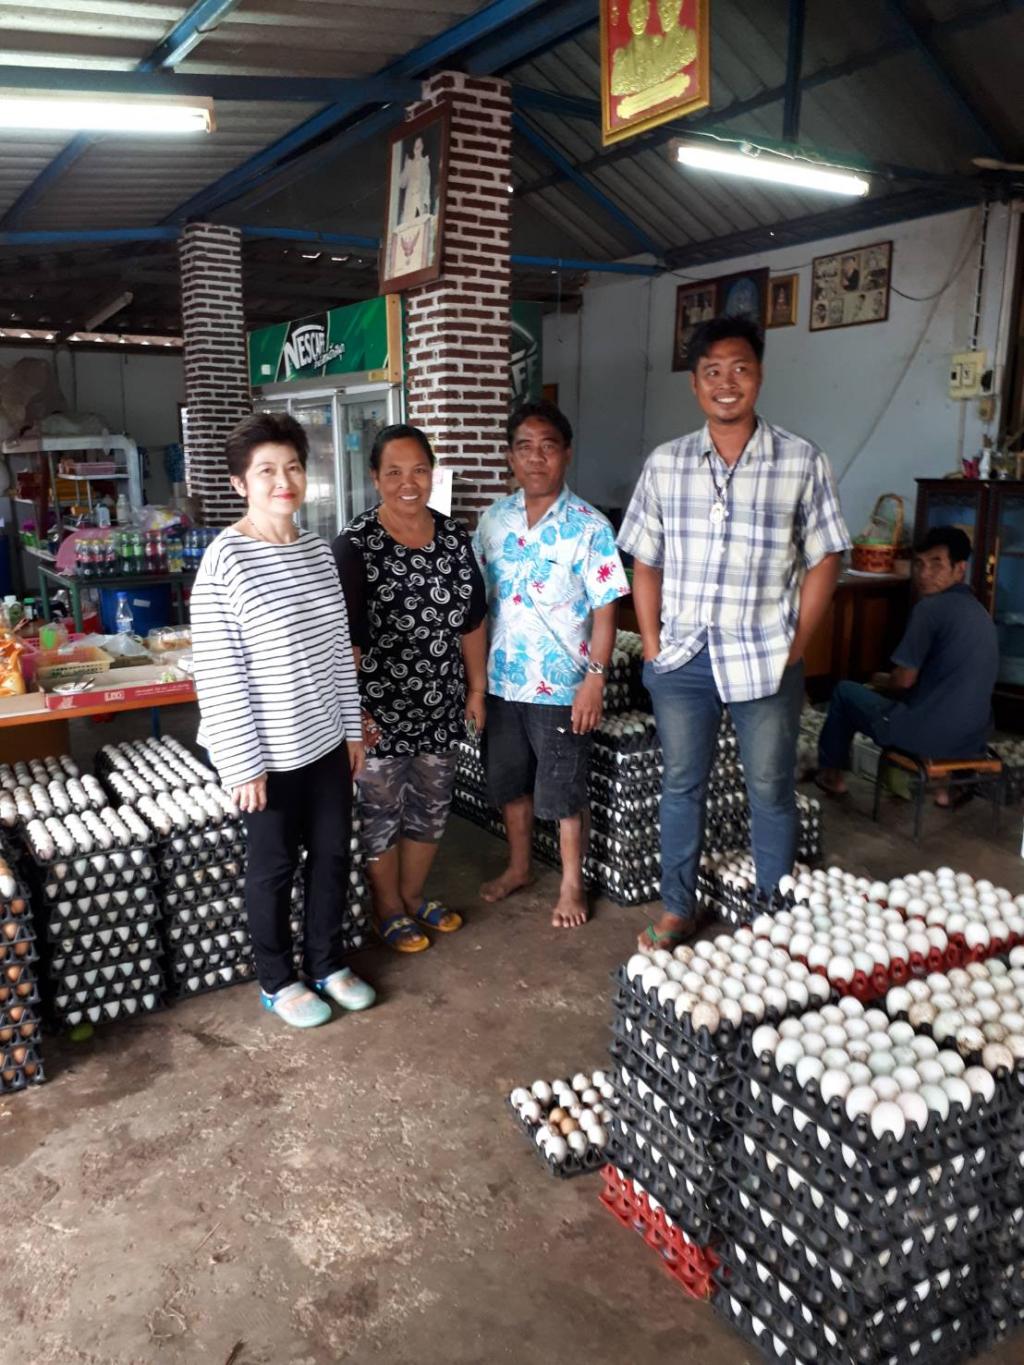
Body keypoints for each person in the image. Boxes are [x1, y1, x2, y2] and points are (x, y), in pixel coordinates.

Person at [617, 316, 850, 952]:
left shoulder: (801, 460)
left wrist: (797, 645)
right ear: (695, 384)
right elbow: (644, 561)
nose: (727, 382)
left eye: (740, 368)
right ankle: (677, 909)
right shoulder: (666, 463)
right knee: (681, 784)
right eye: (712, 371)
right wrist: (654, 648)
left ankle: (772, 911)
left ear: (760, 376)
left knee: (770, 788)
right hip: (684, 656)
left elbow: (828, 554)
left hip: (766, 656)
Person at [191, 411, 374, 1030]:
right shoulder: (225, 561)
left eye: (293, 467)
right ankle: (276, 978)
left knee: (332, 856)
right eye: (266, 470)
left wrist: (351, 730)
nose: (283, 481)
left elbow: (338, 650)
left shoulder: (318, 551)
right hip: (265, 755)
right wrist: (242, 765)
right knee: (272, 868)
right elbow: (219, 673)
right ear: (240, 483)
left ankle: (325, 962)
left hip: (324, 741)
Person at [473, 400, 630, 929]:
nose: (536, 458)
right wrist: (474, 684)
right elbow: (475, 603)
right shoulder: (492, 521)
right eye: (524, 447)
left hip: (561, 686)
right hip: (501, 681)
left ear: (566, 454)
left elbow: (606, 611)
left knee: (563, 790)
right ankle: (519, 867)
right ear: (509, 457)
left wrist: (595, 680)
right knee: (510, 783)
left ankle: (570, 884)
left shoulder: (590, 527)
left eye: (548, 447)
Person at [333, 425, 488, 953]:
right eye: (394, 472)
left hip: (442, 702)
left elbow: (472, 620)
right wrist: (352, 716)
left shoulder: (453, 538)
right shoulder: (355, 546)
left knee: (431, 804)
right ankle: (388, 909)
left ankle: (414, 895)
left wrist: (476, 690)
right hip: (378, 709)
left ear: (432, 474)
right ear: (375, 478)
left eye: (419, 470)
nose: (408, 482)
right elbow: (343, 642)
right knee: (381, 812)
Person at [816, 526, 998, 799]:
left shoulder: (929, 610)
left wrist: (882, 680)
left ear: (960, 569)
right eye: (919, 564)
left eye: (936, 564)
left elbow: (903, 681)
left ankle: (831, 776)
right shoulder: (981, 613)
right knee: (929, 704)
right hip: (974, 739)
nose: (924, 574)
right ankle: (944, 791)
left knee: (845, 692)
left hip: (929, 735)